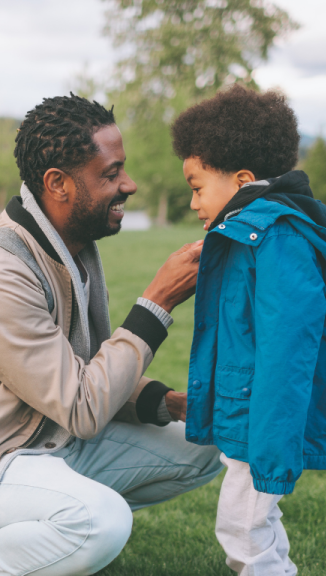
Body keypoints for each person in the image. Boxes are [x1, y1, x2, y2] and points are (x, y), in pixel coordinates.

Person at [0, 94, 222, 576]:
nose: (128, 185)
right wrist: (157, 303)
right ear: (58, 184)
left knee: (206, 441)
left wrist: (170, 404)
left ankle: (54, 533)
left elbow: (85, 370)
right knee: (102, 522)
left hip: (50, 440)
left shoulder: (70, 249)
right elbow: (83, 405)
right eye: (110, 174)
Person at [171, 85, 326, 576]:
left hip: (262, 420)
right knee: (250, 525)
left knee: (243, 526)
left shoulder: (275, 237)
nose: (193, 202)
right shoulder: (247, 233)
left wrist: (273, 446)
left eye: (198, 187)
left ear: (241, 179)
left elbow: (288, 349)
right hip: (246, 412)